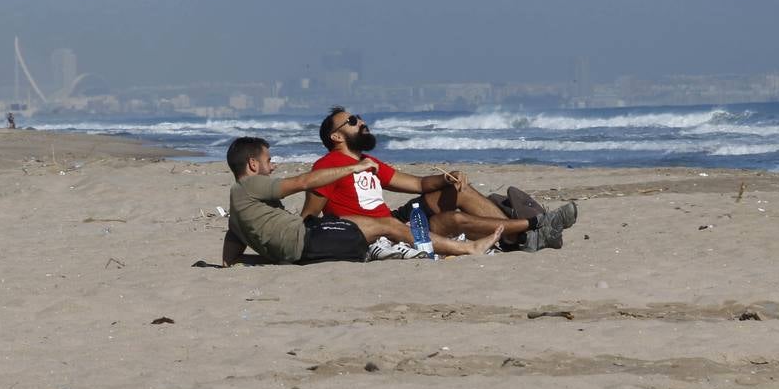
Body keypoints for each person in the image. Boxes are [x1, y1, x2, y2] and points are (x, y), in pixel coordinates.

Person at [304, 107, 578, 251]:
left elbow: (419, 185)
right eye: (352, 120)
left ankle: (521, 237)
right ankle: (535, 226)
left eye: (360, 117)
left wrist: (449, 178)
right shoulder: (327, 167)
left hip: (395, 219)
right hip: (383, 233)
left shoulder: (370, 163)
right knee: (453, 220)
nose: (361, 121)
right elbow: (310, 217)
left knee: (459, 192)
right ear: (336, 136)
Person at [222, 137, 499, 267]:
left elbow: (230, 259)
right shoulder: (251, 184)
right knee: (389, 225)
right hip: (308, 240)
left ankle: (455, 242)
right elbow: (303, 182)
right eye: (269, 161)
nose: (272, 166)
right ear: (252, 164)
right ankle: (468, 248)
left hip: (305, 245)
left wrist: (275, 256)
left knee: (380, 224)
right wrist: (352, 168)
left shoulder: (237, 210)